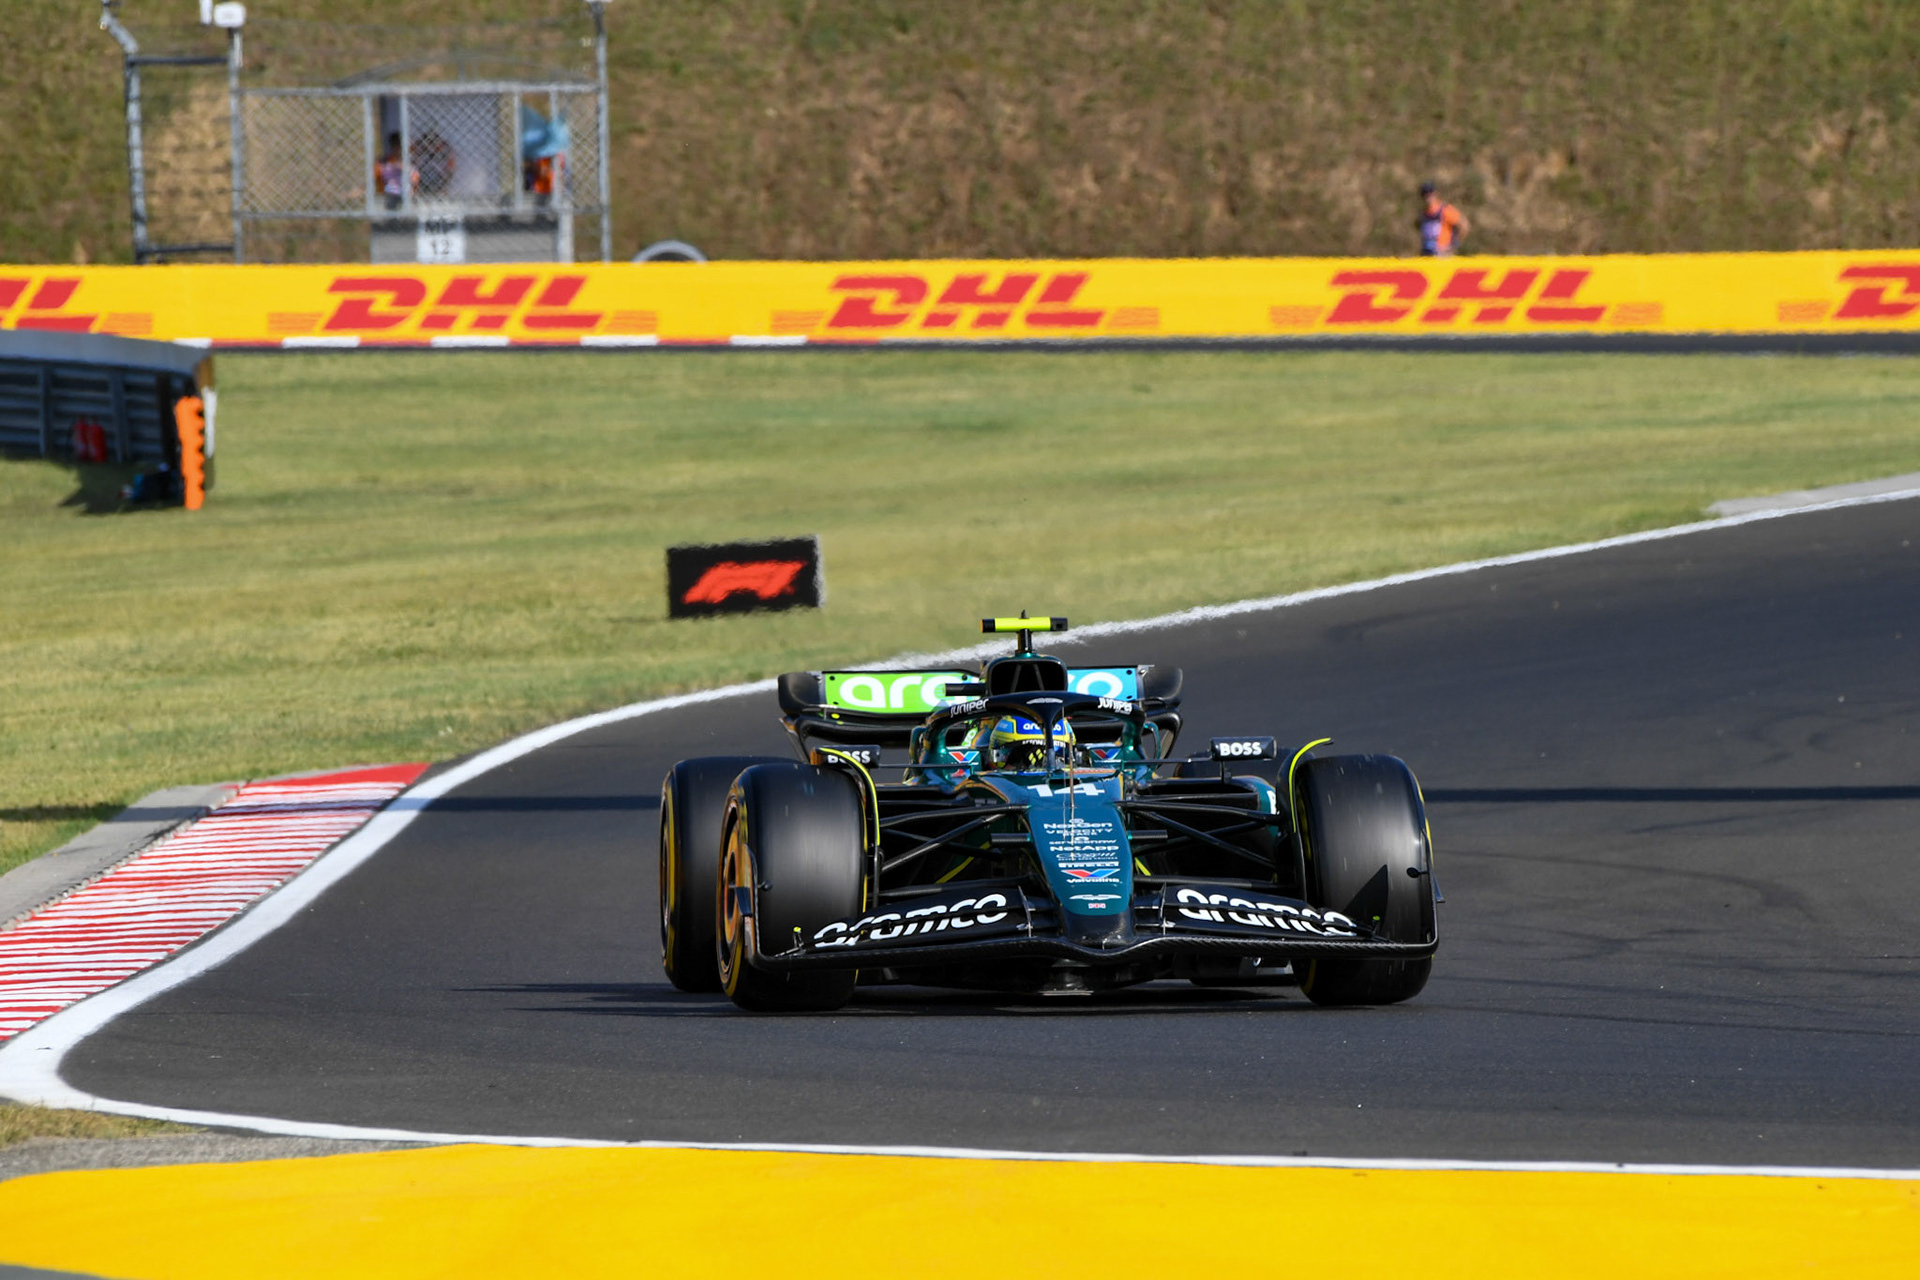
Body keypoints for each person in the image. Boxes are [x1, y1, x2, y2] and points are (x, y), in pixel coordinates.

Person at [1416, 181, 1468, 256]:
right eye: (1425, 194)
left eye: (1430, 193)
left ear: (1435, 194)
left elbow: (1464, 225)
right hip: (1427, 253)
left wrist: (1453, 245)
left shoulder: (1445, 210)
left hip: (1442, 253)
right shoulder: (1423, 213)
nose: (1428, 197)